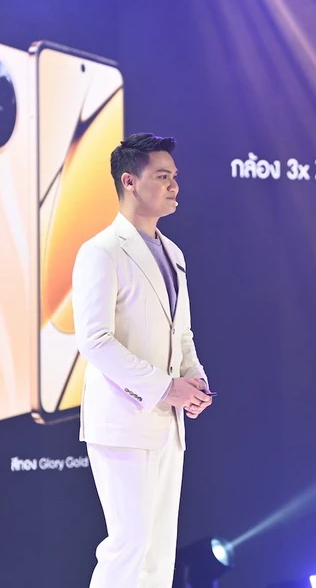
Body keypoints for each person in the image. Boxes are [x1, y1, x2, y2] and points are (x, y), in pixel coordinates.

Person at [71, 133, 214, 587]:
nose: (174, 186)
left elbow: (181, 333)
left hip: (168, 423)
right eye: (163, 176)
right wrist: (166, 387)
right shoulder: (101, 251)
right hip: (122, 419)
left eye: (175, 176)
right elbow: (94, 340)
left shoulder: (174, 253)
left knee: (157, 553)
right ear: (129, 181)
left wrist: (193, 379)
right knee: (128, 545)